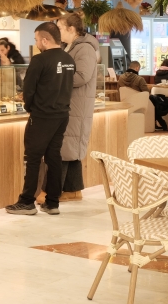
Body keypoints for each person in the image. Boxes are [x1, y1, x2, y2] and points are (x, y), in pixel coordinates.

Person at [6, 22, 75, 216]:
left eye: (37, 39)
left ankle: (27, 201)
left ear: (45, 40)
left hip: (42, 115)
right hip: (62, 115)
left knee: (33, 158)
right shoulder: (68, 59)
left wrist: (30, 108)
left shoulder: (39, 60)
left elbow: (28, 90)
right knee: (54, 157)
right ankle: (52, 202)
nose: (36, 43)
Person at [54, 13, 99, 203]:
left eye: (60, 28)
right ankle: (73, 190)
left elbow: (82, 76)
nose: (57, 32)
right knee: (70, 146)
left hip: (77, 105)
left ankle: (54, 191)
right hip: (70, 103)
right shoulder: (71, 47)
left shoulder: (85, 48)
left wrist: (55, 79)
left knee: (65, 147)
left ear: (71, 29)